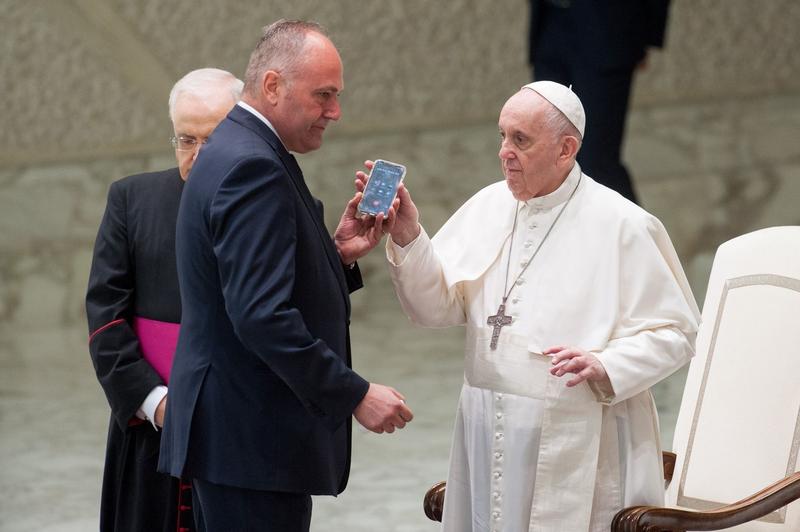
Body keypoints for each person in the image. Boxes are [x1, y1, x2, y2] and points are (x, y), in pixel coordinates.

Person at [379, 81, 700, 531]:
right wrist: (409, 237)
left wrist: (606, 364)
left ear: (565, 149)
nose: (504, 152)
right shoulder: (488, 206)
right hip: (486, 424)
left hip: (580, 431)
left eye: (520, 140)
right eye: (502, 135)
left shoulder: (623, 223)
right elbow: (434, 310)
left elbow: (678, 332)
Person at [158, 20, 413, 532]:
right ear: (273, 86)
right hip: (251, 444)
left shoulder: (237, 147)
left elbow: (254, 285)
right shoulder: (253, 165)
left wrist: (336, 255)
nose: (334, 112)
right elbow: (260, 317)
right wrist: (354, 394)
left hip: (235, 441)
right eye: (324, 95)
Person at [85, 67, 243, 532]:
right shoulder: (132, 200)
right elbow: (104, 318)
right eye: (185, 140)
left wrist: (339, 259)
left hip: (242, 431)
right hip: (150, 430)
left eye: (210, 140)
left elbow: (299, 306)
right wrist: (155, 403)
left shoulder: (275, 201)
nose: (196, 155)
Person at [528, 0, 671, 204]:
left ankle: (637, 234)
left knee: (597, 161)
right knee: (551, 158)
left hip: (606, 30)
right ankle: (565, 235)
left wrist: (647, 34)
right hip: (550, 24)